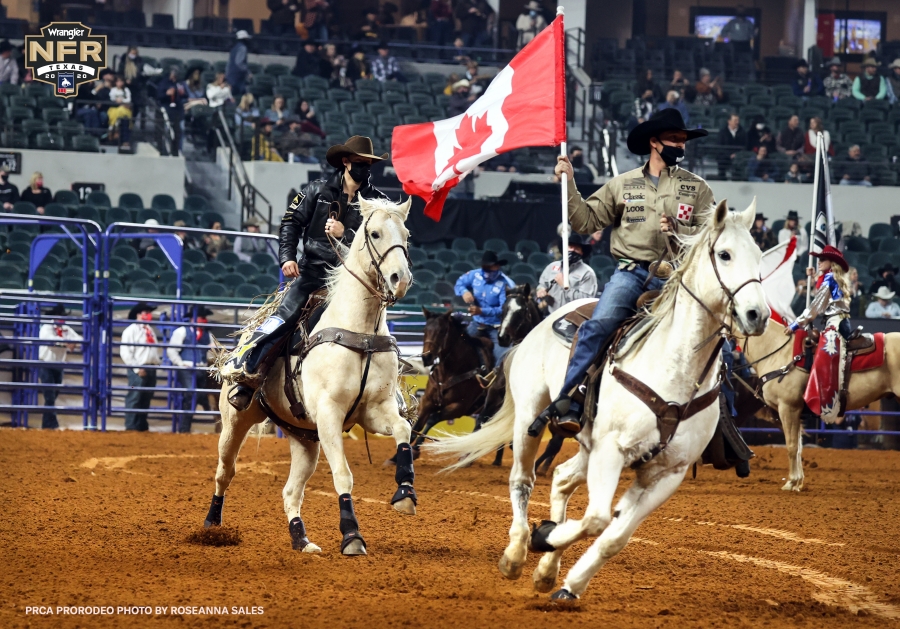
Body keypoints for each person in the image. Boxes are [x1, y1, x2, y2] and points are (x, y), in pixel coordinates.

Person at [531, 108, 714, 436]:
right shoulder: (622, 185)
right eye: (675, 139)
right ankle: (569, 399)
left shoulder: (697, 188)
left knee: (715, 338)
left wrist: (678, 233)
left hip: (678, 278)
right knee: (597, 326)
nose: (681, 146)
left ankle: (721, 429)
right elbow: (586, 221)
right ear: (654, 143)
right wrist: (569, 183)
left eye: (684, 140)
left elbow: (709, 237)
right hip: (631, 274)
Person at [221, 136, 390, 410]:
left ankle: (388, 394)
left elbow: (379, 242)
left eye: (369, 164)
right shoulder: (317, 190)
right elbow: (290, 222)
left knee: (379, 333)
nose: (365, 168)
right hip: (314, 272)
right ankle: (248, 374)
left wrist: (344, 234)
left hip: (353, 280)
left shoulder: (377, 202)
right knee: (284, 318)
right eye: (360, 163)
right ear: (346, 162)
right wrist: (287, 257)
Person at [787, 246, 853, 422]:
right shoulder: (833, 278)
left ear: (832, 263)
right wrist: (816, 276)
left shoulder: (830, 278)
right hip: (840, 322)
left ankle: (826, 400)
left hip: (835, 325)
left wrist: (795, 324)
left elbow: (815, 307)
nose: (819, 261)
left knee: (823, 357)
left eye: (823, 259)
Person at [455, 251, 516, 364]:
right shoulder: (475, 275)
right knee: (457, 344)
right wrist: (464, 292)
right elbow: (460, 283)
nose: (487, 272)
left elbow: (504, 309)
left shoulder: (506, 284)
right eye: (485, 268)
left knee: (503, 356)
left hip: (497, 327)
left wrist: (481, 311)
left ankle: (496, 378)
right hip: (477, 323)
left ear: (497, 266)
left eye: (490, 268)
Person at [167, 306, 215, 433]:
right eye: (201, 317)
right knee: (190, 394)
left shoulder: (207, 334)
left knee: (195, 394)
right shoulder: (182, 331)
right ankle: (184, 428)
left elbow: (212, 351)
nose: (204, 320)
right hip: (187, 368)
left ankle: (185, 427)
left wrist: (211, 351)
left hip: (201, 367)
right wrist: (180, 363)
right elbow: (171, 350)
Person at [38, 304, 82, 430]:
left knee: (52, 395)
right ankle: (51, 424)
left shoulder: (66, 329)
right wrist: (68, 343)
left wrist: (73, 343)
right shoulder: (46, 327)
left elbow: (79, 339)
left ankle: (47, 424)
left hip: (58, 364)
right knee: (50, 396)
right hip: (46, 363)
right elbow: (50, 340)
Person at [120, 302, 161, 431]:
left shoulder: (149, 330)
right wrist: (137, 368)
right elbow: (126, 352)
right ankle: (131, 426)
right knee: (135, 397)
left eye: (149, 313)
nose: (148, 315)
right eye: (145, 313)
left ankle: (141, 425)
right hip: (138, 368)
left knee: (145, 397)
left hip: (150, 367)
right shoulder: (131, 330)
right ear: (138, 314)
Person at [536, 236, 598, 314]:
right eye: (570, 247)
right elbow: (542, 285)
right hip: (550, 315)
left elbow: (586, 301)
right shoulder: (552, 267)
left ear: (582, 253)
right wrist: (541, 290)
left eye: (577, 249)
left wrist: (565, 286)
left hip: (573, 318)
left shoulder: (587, 273)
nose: (572, 250)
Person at [156, 67, 186, 156]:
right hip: (167, 108)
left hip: (178, 110)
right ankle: (165, 150)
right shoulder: (164, 83)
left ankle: (178, 150)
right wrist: (166, 94)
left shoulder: (180, 83)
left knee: (180, 130)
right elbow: (159, 96)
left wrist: (182, 93)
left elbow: (186, 95)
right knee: (167, 130)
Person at [717, 113, 748, 178]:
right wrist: (729, 155)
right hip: (725, 156)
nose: (737, 122)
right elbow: (720, 146)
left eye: (738, 120)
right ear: (729, 121)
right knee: (721, 160)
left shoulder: (742, 132)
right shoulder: (723, 132)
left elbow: (744, 146)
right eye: (735, 120)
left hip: (739, 156)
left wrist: (736, 154)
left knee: (741, 162)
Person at [226, 30, 252, 97]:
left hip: (231, 77)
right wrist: (247, 72)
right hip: (237, 78)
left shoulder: (234, 48)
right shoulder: (242, 48)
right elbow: (239, 62)